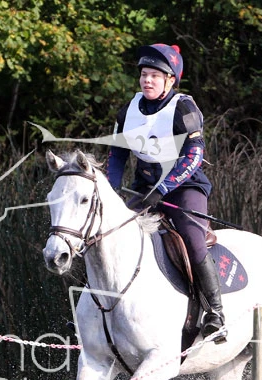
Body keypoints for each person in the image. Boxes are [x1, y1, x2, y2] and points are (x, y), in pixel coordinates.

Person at [107, 43, 226, 344]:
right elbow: (117, 153)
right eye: (143, 75)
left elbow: (194, 156)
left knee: (193, 240)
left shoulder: (184, 109)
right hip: (145, 189)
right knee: (108, 235)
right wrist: (111, 189)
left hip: (184, 188)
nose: (147, 80)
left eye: (154, 76)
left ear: (170, 80)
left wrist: (163, 189)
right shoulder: (129, 110)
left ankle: (216, 313)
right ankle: (98, 309)